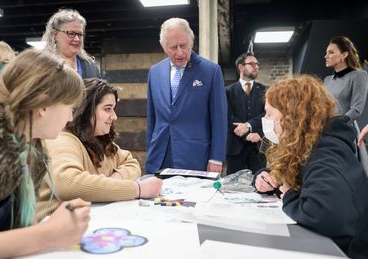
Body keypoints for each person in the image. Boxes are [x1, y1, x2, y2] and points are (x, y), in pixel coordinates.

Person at [0, 48, 91, 258]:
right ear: (43, 104)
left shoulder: (31, 147)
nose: (70, 118)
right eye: (70, 107)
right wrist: (48, 234)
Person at [253, 75, 368, 253]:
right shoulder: (311, 144)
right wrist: (265, 177)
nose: (265, 119)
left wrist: (290, 197)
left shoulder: (325, 153)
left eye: (269, 113)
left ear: (291, 116)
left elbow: (324, 212)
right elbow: (292, 173)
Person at [37, 78, 162, 220]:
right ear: (86, 109)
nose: (114, 117)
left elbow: (131, 163)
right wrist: (137, 189)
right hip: (52, 227)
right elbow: (68, 185)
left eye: (114, 109)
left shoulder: (100, 140)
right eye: (107, 109)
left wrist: (114, 181)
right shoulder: (62, 139)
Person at [146, 17, 227, 174]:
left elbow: (219, 119)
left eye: (183, 45)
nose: (180, 52)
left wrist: (216, 158)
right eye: (173, 47)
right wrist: (150, 151)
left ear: (192, 41)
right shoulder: (154, 72)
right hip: (159, 157)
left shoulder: (211, 71)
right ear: (164, 48)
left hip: (195, 158)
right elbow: (152, 118)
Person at [226, 52, 266, 175]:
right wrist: (247, 135)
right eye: (252, 64)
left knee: (261, 187)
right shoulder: (227, 91)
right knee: (233, 188)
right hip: (235, 149)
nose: (256, 67)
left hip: (259, 147)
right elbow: (228, 117)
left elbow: (267, 115)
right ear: (241, 67)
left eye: (257, 64)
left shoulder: (265, 90)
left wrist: (251, 127)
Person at [42, 8, 101, 78]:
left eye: (80, 34)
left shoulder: (91, 67)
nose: (77, 39)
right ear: (55, 35)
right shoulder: (43, 66)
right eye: (71, 33)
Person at [324, 36, 368, 123]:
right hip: (326, 130)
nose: (326, 56)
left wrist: (339, 124)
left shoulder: (359, 76)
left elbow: (356, 109)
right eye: (326, 53)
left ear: (344, 55)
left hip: (344, 130)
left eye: (331, 52)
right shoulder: (327, 80)